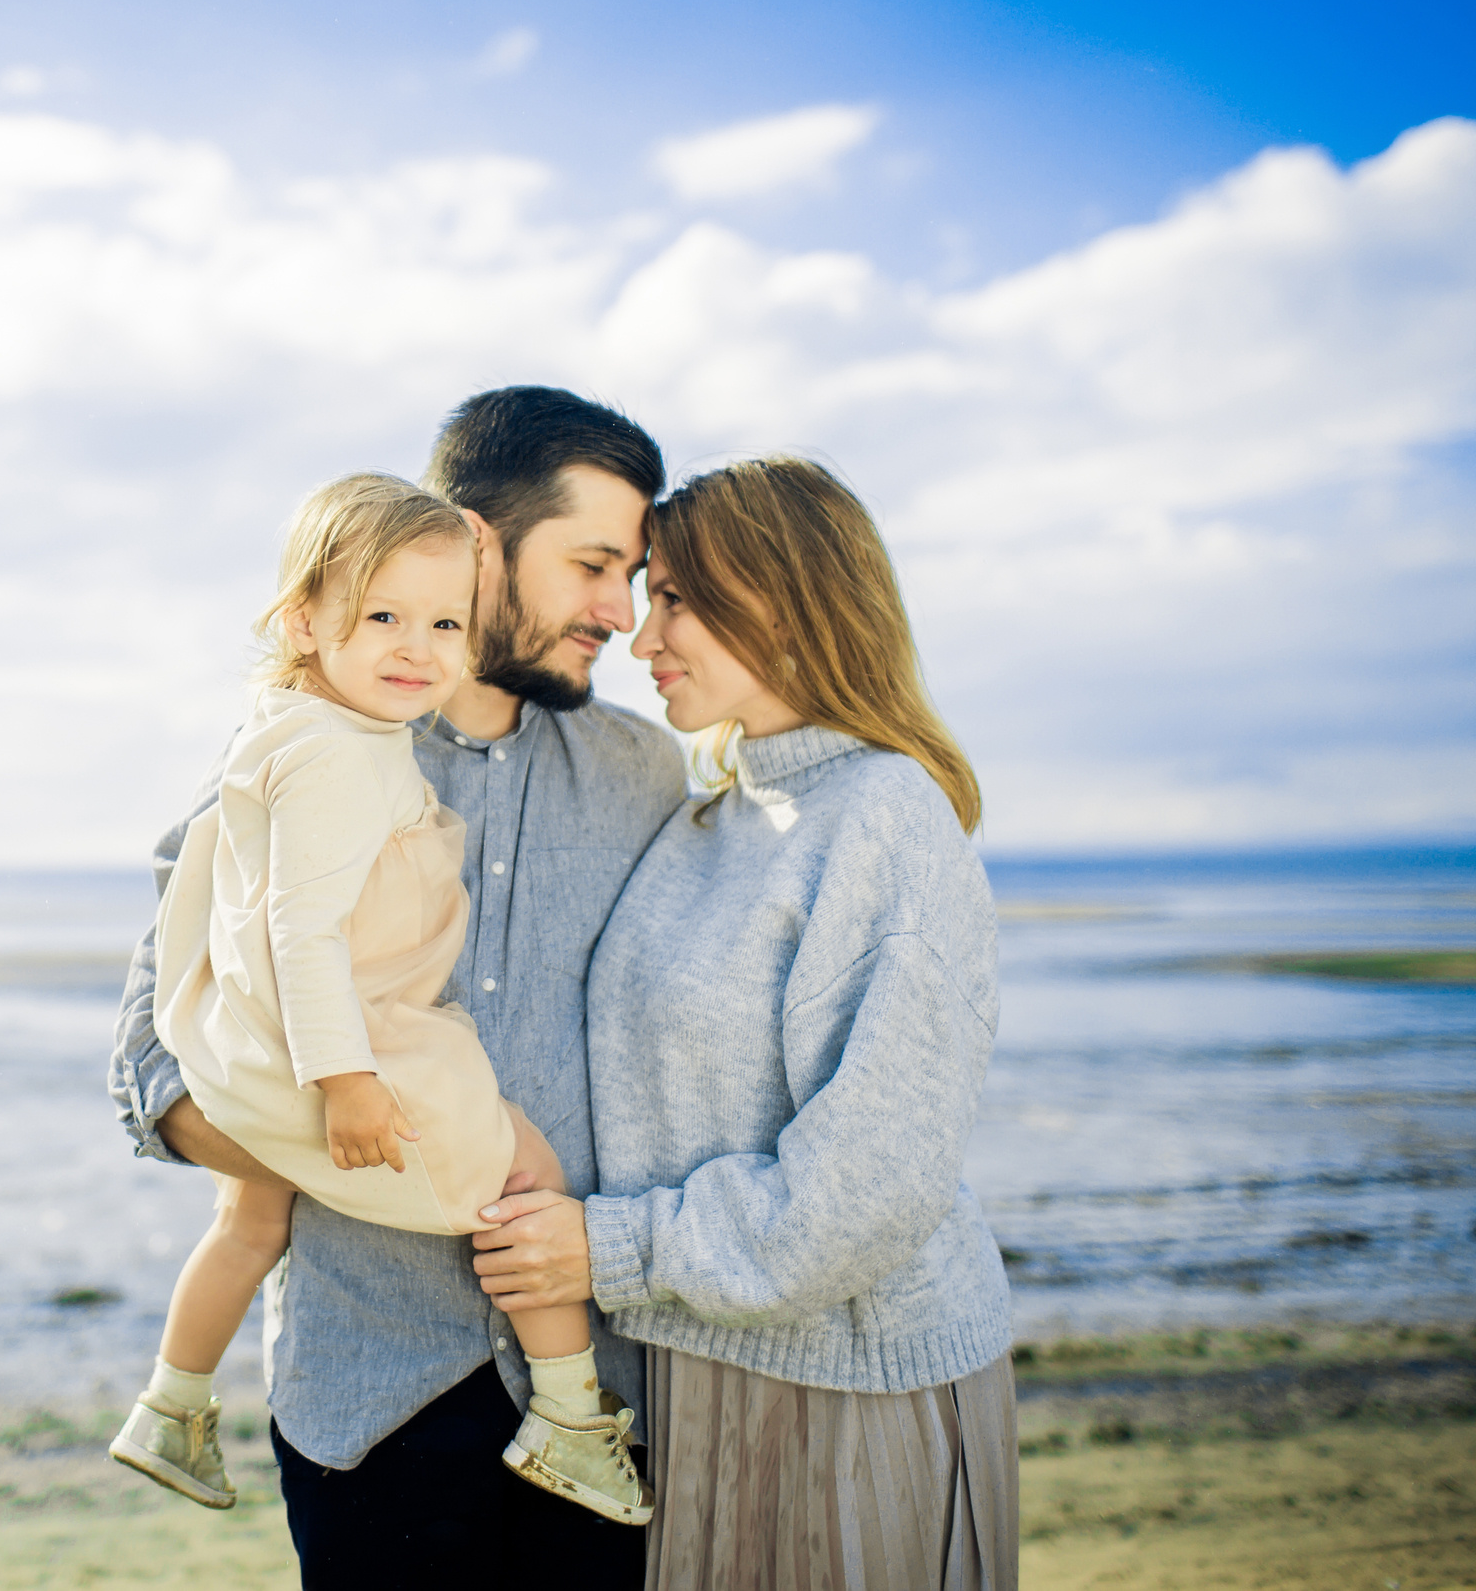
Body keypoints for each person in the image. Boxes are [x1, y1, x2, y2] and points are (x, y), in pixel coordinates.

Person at [110, 387, 685, 1590]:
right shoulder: (305, 747)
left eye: (630, 574)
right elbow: (150, 1050)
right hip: (367, 1388)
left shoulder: (643, 772)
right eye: (591, 565)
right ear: (477, 543)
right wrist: (326, 1125)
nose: (617, 613)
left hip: (599, 1382)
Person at [470, 457, 1017, 1589]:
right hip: (694, 1368)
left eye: (675, 597)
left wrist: (603, 1248)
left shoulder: (886, 821)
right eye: (642, 591)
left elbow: (866, 1193)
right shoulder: (712, 813)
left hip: (844, 1389)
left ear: (788, 596)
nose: (638, 631)